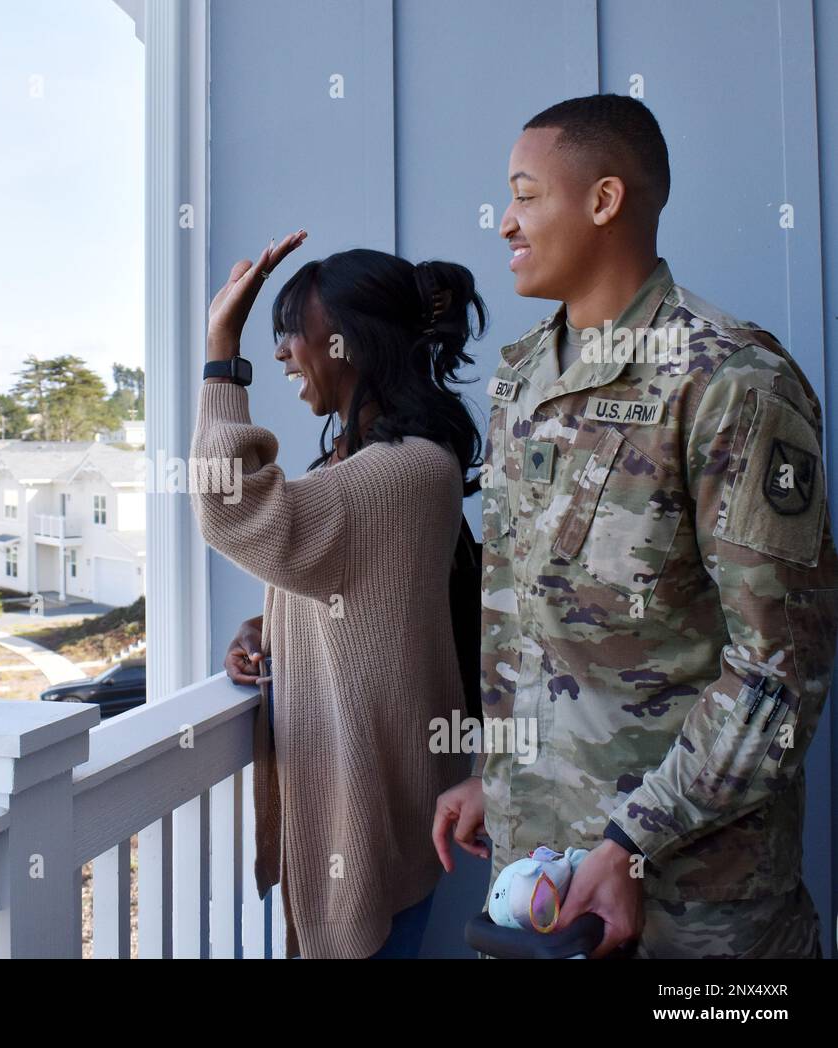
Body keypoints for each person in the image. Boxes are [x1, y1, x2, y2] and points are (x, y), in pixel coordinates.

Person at [432, 94, 838, 958]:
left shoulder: (729, 381)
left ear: (605, 200)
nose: (504, 222)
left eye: (526, 194)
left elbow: (779, 675)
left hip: (694, 907)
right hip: (541, 883)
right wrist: (494, 778)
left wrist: (630, 843)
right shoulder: (522, 379)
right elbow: (518, 624)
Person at [191, 231, 483, 958]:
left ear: (352, 342)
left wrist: (223, 350)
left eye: (294, 331)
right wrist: (267, 630)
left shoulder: (400, 471)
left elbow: (231, 508)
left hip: (364, 827)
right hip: (379, 818)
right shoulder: (377, 462)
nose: (284, 350)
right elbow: (375, 601)